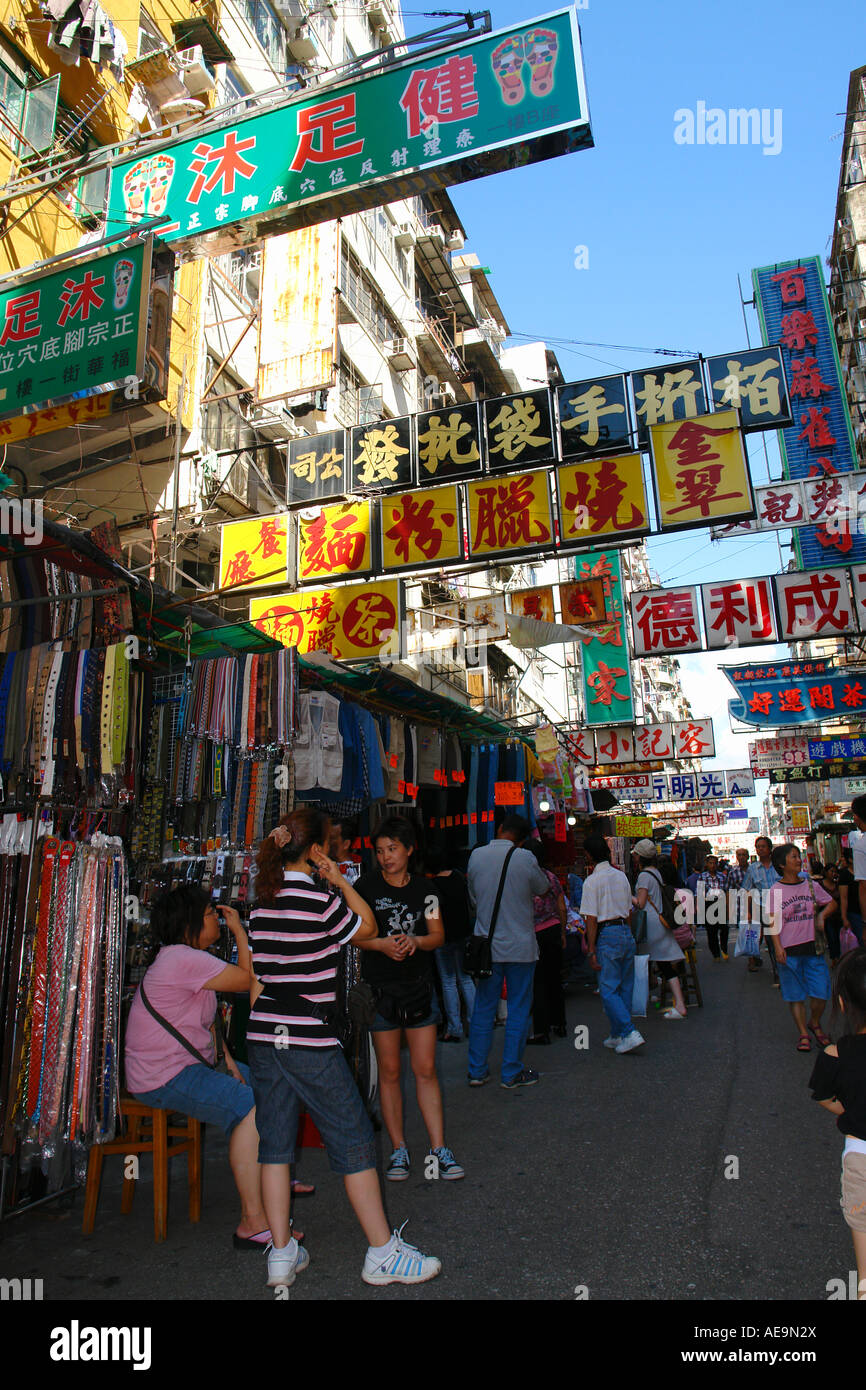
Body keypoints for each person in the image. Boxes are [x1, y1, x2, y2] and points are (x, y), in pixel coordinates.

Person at [248, 808, 441, 1288]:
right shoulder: (318, 899)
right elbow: (369, 928)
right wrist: (338, 881)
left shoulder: (260, 900)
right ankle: (381, 1251)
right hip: (308, 1038)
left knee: (275, 1143)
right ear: (316, 851)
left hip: (263, 1033)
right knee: (354, 1136)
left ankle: (280, 1252)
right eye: (330, 845)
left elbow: (259, 972)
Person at [124, 884, 272, 1251]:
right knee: (250, 1107)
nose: (217, 918)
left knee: (272, 1089)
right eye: (210, 913)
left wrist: (231, 1066)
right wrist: (240, 931)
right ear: (190, 922)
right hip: (163, 1076)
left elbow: (207, 1027)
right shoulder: (181, 959)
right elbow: (247, 979)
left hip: (181, 1068)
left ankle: (273, 1181)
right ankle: (253, 1222)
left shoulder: (185, 958)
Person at [356, 817, 464, 1181]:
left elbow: (437, 935)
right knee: (388, 1071)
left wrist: (415, 941)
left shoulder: (426, 890)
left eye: (393, 849)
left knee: (426, 1069)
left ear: (409, 849)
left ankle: (439, 1148)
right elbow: (352, 935)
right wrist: (381, 944)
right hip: (380, 989)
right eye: (381, 851)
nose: (386, 857)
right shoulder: (365, 887)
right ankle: (398, 1149)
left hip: (419, 986)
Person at [466, 813, 551, 1088]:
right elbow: (543, 888)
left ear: (500, 828)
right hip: (520, 947)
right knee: (517, 1007)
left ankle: (477, 1070)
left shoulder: (476, 856)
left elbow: (474, 898)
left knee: (483, 1008)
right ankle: (510, 1071)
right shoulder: (525, 858)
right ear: (524, 839)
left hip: (487, 947)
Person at [809, 947, 866, 1300]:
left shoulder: (835, 1054)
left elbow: (823, 1097)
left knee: (862, 1226)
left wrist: (850, 1110)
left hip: (861, 1156)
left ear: (843, 1004)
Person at [767, 843, 835, 1053]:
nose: (799, 860)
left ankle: (814, 1022)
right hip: (789, 951)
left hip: (813, 948)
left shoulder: (810, 885)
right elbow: (772, 922)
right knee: (795, 995)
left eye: (798, 856)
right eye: (794, 857)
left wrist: (822, 916)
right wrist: (778, 948)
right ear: (781, 864)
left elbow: (831, 902)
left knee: (821, 992)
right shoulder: (775, 890)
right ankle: (803, 1034)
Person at [581, 834, 644, 1054]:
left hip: (607, 934)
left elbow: (591, 919)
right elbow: (628, 911)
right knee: (625, 986)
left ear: (589, 854)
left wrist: (591, 950)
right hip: (625, 932)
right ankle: (618, 1034)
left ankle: (628, 1031)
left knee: (608, 989)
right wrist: (630, 934)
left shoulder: (591, 882)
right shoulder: (621, 877)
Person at [424, 844, 475, 1043]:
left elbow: (430, 915)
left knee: (448, 982)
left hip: (442, 938)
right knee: (466, 980)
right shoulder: (459, 877)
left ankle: (455, 1028)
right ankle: (475, 1023)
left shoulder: (431, 886)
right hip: (463, 934)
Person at [632, 839, 686, 1020]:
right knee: (662, 962)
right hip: (660, 921)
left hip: (650, 924)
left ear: (639, 857)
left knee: (649, 961)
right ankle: (672, 1000)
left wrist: (627, 896)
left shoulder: (643, 876)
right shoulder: (656, 873)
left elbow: (640, 903)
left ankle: (676, 1004)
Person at [524, 838, 568, 1045]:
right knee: (555, 979)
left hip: (534, 934)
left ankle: (541, 1031)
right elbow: (561, 907)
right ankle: (559, 1024)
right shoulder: (551, 877)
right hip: (552, 930)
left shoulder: (523, 879)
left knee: (538, 982)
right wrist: (562, 932)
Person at [742, 835, 780, 983]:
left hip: (783, 909)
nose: (760, 849)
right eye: (758, 847)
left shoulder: (779, 865)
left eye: (763, 846)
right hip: (765, 911)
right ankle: (778, 971)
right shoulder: (753, 869)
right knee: (771, 942)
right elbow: (747, 891)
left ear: (770, 849)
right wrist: (749, 912)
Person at [727, 846, 760, 973]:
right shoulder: (733, 873)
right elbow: (729, 891)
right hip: (742, 907)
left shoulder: (755, 870)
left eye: (743, 855)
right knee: (749, 933)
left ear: (747, 856)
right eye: (738, 855)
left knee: (760, 932)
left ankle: (756, 954)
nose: (741, 857)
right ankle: (751, 960)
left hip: (758, 904)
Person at [697, 854, 729, 961]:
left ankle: (724, 948)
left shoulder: (723, 876)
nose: (712, 865)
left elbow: (727, 891)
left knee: (724, 928)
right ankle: (715, 954)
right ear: (707, 864)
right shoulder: (702, 876)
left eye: (715, 863)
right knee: (711, 931)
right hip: (708, 904)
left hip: (721, 903)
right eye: (710, 863)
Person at [838, 847, 864, 949]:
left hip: (863, 911)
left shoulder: (862, 871)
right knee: (861, 939)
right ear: (851, 859)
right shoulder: (845, 874)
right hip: (854, 913)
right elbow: (843, 898)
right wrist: (844, 917)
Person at [819, 863, 843, 965]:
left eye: (835, 871)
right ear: (826, 872)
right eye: (831, 871)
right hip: (827, 917)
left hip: (838, 916)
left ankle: (840, 956)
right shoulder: (820, 885)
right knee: (831, 937)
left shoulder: (838, 884)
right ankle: (834, 958)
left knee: (839, 937)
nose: (833, 874)